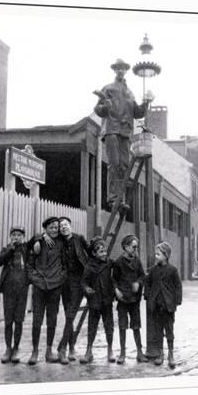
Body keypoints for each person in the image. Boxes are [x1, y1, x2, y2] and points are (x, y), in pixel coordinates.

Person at [93, 58, 149, 211]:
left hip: (125, 132)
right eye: (117, 68)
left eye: (123, 68)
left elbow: (138, 113)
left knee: (124, 166)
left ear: (126, 70)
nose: (120, 70)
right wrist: (106, 105)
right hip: (112, 129)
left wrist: (146, 102)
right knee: (115, 163)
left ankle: (120, 199)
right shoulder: (108, 88)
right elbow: (98, 110)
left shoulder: (130, 93)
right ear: (114, 70)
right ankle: (113, 198)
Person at [26, 216, 67, 365]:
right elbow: (29, 263)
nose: (55, 230)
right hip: (39, 287)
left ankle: (49, 351)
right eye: (51, 227)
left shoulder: (62, 243)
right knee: (37, 320)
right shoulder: (38, 242)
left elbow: (65, 264)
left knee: (52, 319)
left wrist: (60, 278)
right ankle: (35, 351)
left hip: (55, 286)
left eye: (56, 227)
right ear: (45, 229)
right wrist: (35, 278)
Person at [56, 216, 89, 364]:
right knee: (69, 314)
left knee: (70, 315)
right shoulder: (58, 242)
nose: (63, 227)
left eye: (66, 225)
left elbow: (91, 250)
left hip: (78, 281)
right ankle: (71, 348)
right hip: (64, 283)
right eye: (61, 226)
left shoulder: (79, 238)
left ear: (70, 226)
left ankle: (62, 348)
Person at [144, 242, 182, 369]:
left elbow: (178, 286)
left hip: (168, 306)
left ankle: (171, 354)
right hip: (156, 306)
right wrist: (148, 296)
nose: (156, 256)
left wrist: (176, 300)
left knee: (169, 330)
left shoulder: (172, 270)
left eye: (158, 254)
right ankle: (160, 353)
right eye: (155, 254)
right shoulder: (153, 270)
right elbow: (147, 284)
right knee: (158, 331)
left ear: (166, 256)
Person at [112, 234, 148, 364]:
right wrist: (116, 290)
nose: (135, 249)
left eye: (136, 247)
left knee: (136, 326)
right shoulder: (118, 262)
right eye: (133, 247)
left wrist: (138, 282)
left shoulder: (137, 261)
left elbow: (143, 276)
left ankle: (140, 352)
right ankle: (122, 353)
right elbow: (114, 280)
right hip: (123, 300)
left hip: (134, 300)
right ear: (126, 247)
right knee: (122, 327)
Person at [79, 237, 115, 364]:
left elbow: (119, 272)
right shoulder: (89, 266)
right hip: (94, 301)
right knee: (92, 326)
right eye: (101, 252)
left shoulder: (110, 263)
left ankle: (110, 350)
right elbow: (83, 282)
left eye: (105, 251)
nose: (104, 254)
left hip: (107, 300)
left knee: (109, 326)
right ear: (94, 254)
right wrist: (87, 288)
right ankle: (89, 351)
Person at [0, 226, 30, 364]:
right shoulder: (6, 249)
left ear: (23, 237)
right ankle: (8, 349)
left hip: (22, 289)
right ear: (10, 237)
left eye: (19, 235)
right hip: (8, 289)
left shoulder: (26, 249)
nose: (16, 237)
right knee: (8, 320)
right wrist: (10, 249)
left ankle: (16, 348)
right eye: (13, 235)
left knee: (19, 320)